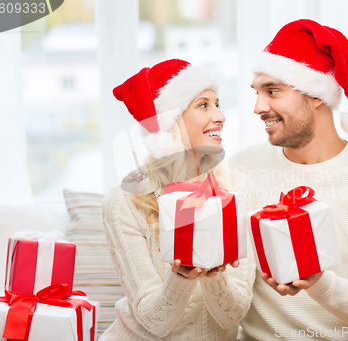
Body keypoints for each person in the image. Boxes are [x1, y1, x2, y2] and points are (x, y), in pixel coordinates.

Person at [229, 19, 348, 341]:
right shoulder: (242, 167)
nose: (259, 107)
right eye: (257, 93)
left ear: (316, 95)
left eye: (273, 91)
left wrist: (316, 280)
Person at [100, 59, 255, 340]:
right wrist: (181, 277)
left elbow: (234, 313)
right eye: (203, 105)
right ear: (169, 123)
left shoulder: (237, 190)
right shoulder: (123, 202)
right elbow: (154, 322)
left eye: (217, 103)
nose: (220, 115)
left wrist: (214, 272)